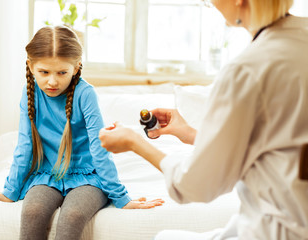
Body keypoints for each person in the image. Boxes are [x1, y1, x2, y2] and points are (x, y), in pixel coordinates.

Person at [99, 0, 308, 239]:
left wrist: (135, 142)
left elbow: (196, 185)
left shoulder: (247, 70)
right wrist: (191, 134)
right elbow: (282, 147)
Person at [0, 26, 163, 240]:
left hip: (88, 177)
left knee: (73, 215)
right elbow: (25, 145)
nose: (52, 81)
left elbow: (99, 147)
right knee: (32, 212)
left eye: (62, 73)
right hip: (46, 174)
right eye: (44, 72)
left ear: (76, 67)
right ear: (31, 66)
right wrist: (10, 191)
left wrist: (121, 197)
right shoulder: (29, 92)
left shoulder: (85, 94)